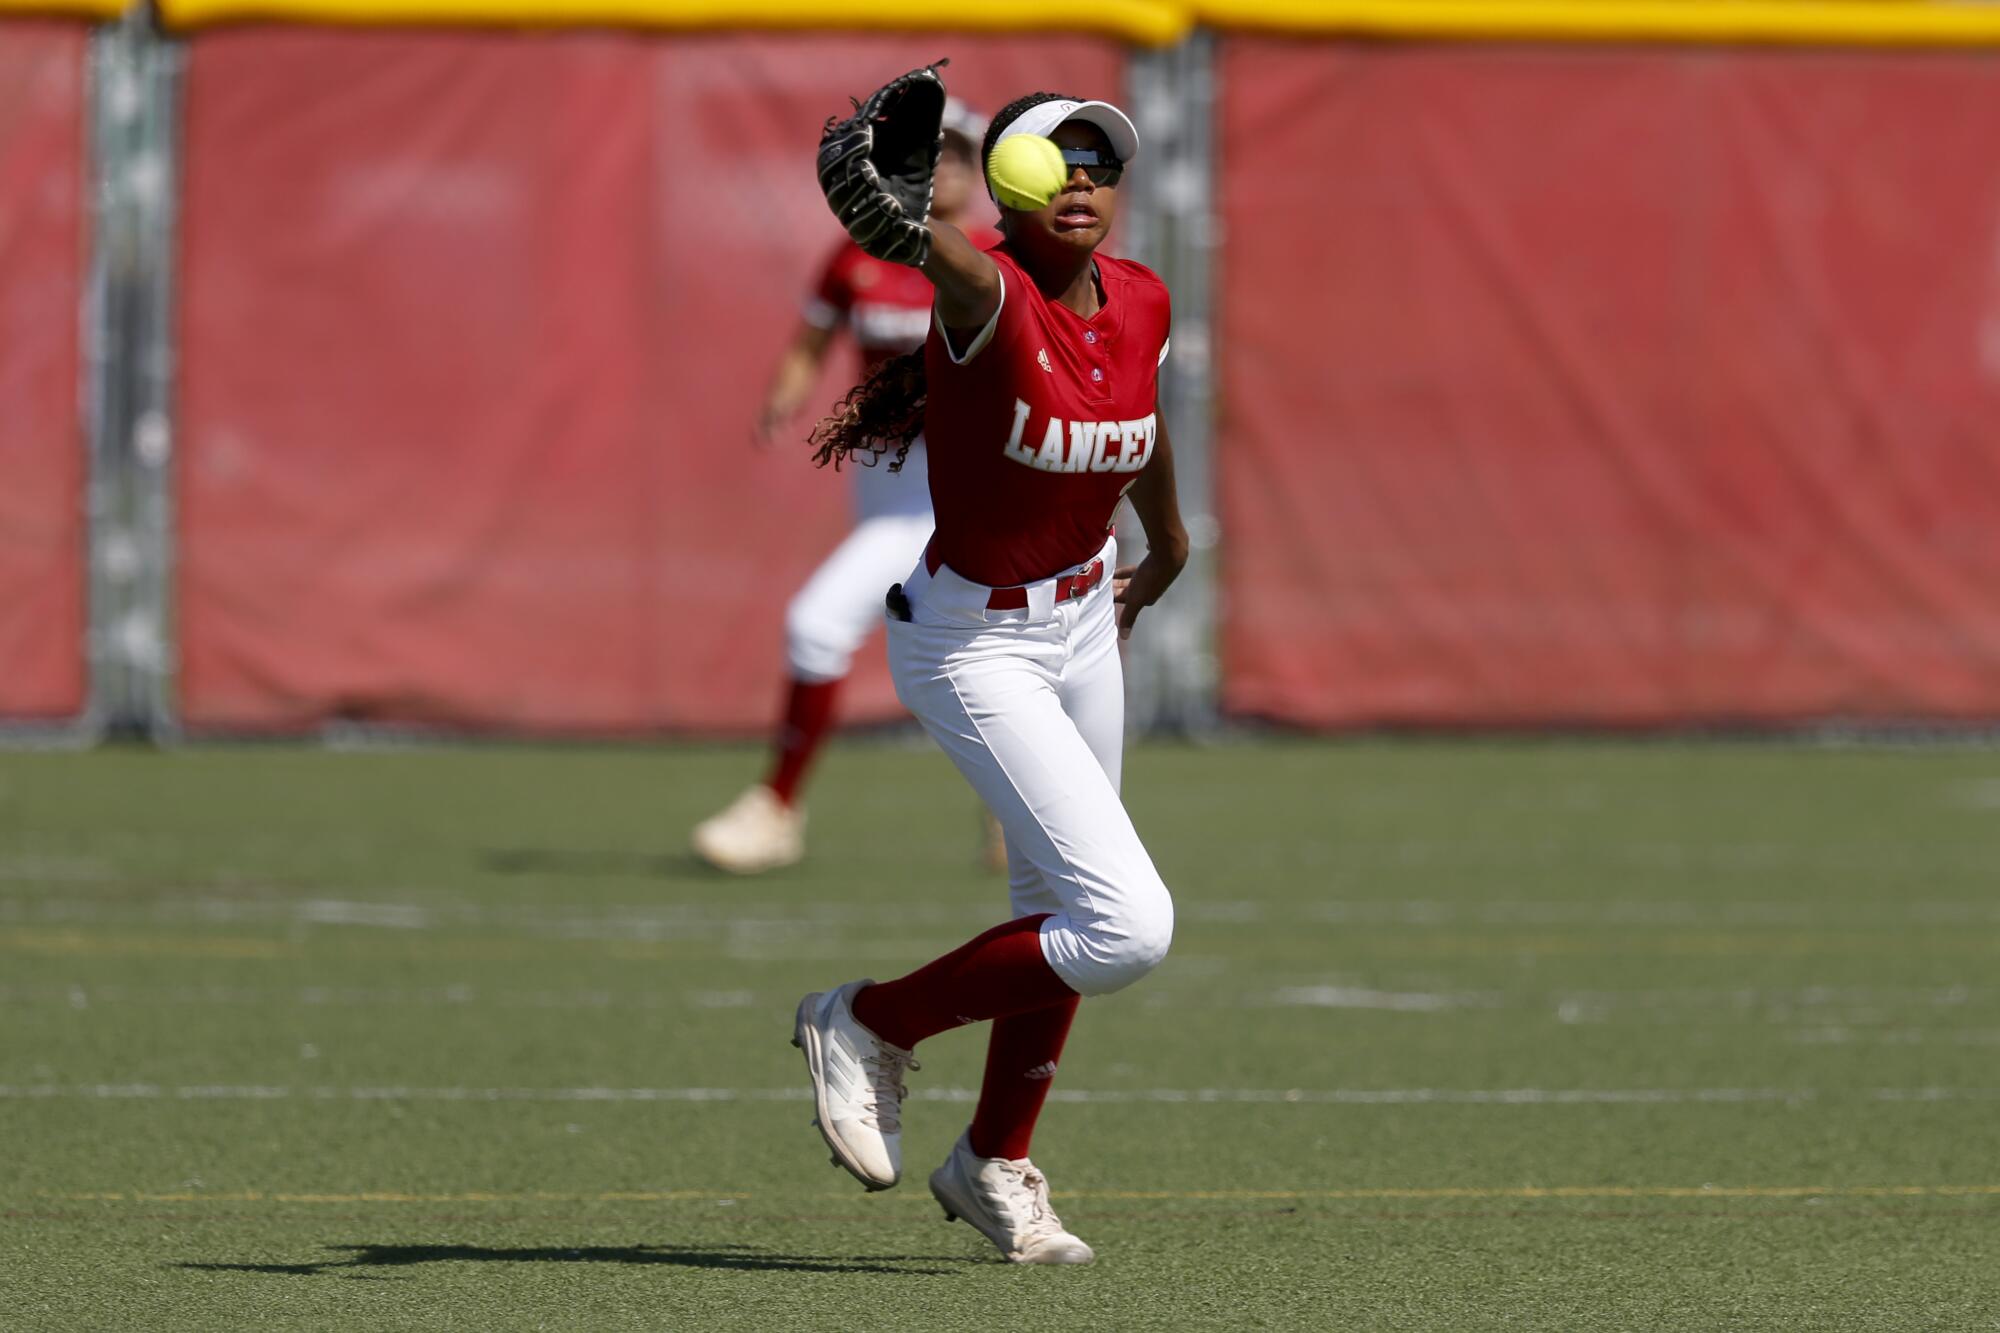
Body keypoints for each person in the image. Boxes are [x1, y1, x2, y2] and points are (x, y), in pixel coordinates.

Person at [792, 87, 1188, 1265]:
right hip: (974, 644)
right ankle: (869, 1019)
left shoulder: (1145, 297)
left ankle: (990, 1161)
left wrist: (1168, 543)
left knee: (1058, 913)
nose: (1080, 176)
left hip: (1080, 621)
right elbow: (928, 250)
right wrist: (908, 221)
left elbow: (1142, 416)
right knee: (1125, 928)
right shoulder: (986, 293)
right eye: (1053, 156)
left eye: (1100, 159)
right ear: (1008, 183)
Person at [691, 102, 1001, 875]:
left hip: (961, 490)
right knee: (965, 653)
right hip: (886, 482)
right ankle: (1023, 813)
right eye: (930, 157)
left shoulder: (998, 254)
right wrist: (784, 394)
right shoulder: (860, 252)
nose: (943, 171)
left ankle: (777, 809)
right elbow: (811, 342)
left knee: (817, 624)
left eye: (958, 157)